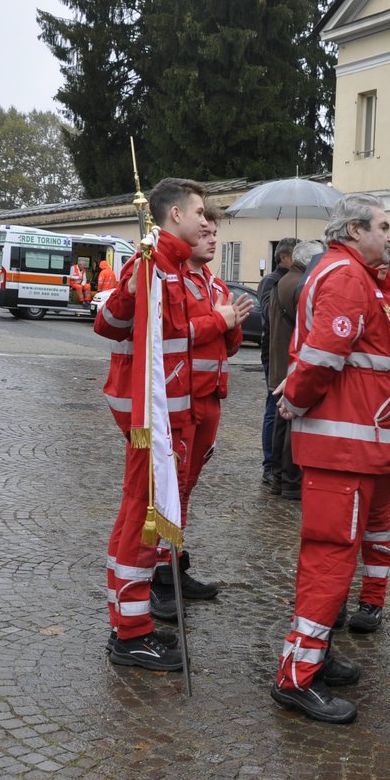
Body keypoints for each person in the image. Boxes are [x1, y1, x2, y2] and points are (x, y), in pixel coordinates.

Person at [271, 195, 390, 723]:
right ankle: (296, 677)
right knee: (329, 560)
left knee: (335, 559)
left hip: (352, 447)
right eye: (384, 226)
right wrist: (295, 400)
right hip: (343, 449)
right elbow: (326, 355)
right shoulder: (348, 277)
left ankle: (316, 656)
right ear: (354, 230)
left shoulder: (347, 273)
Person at [92, 178, 213, 672]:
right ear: (175, 216)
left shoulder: (173, 266)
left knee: (142, 518)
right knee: (144, 522)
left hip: (170, 418)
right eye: (200, 212)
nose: (208, 222)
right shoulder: (152, 264)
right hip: (154, 421)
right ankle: (131, 633)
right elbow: (115, 325)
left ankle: (131, 623)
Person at [149, 205, 251, 618]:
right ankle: (158, 574)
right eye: (204, 231)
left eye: (215, 234)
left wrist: (231, 323)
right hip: (178, 401)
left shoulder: (212, 282)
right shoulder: (173, 278)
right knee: (168, 487)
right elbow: (176, 334)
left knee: (186, 487)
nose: (211, 239)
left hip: (209, 400)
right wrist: (220, 320)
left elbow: (227, 345)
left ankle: (174, 561)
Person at [336, 266, 390, 634]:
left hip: (387, 428)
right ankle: (333, 597)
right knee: (339, 525)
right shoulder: (345, 289)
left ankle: (373, 599)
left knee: (376, 523)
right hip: (345, 426)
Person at [267, 242, 318, 502]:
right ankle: (289, 481)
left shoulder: (283, 281)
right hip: (291, 361)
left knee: (278, 422)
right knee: (288, 425)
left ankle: (278, 477)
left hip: (279, 361)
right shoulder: (302, 284)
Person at [257, 239, 299, 491]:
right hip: (272, 350)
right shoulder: (271, 281)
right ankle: (269, 465)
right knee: (273, 408)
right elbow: (265, 312)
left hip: (281, 350)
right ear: (284, 257)